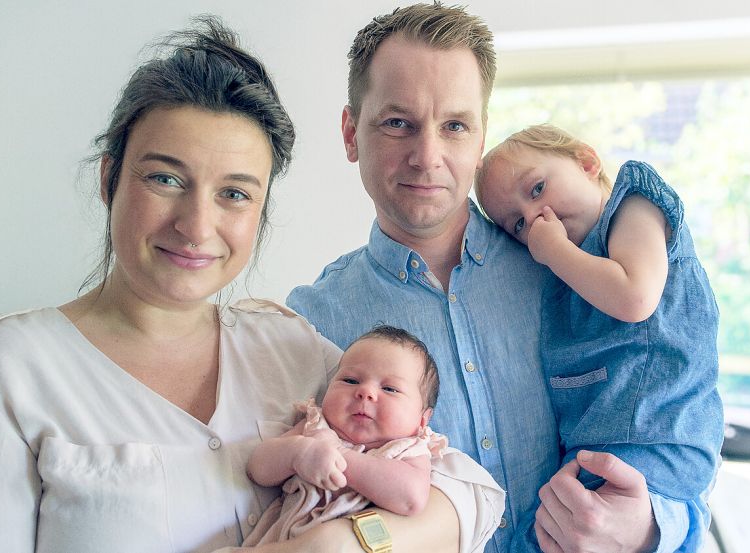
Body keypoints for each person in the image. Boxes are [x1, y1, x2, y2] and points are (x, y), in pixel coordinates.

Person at [0, 16, 497, 553]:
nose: (196, 225)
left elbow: (471, 496)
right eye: (165, 179)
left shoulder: (290, 349)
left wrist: (341, 543)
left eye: (234, 193)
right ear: (109, 179)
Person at [287, 3, 713, 552]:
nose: (427, 156)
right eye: (398, 123)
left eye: (455, 126)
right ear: (351, 133)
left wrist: (650, 527)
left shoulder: (577, 269)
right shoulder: (309, 322)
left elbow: (672, 413)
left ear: (480, 137)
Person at [475, 123, 724, 504]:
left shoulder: (632, 207)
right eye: (519, 224)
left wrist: (555, 252)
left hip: (662, 437)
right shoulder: (565, 274)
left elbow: (635, 297)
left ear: (587, 162)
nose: (537, 218)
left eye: (538, 188)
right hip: (600, 451)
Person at [245, 325, 503, 546]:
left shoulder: (408, 449)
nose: (365, 392)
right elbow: (258, 468)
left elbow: (410, 499)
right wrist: (298, 453)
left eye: (390, 388)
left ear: (422, 420)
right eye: (350, 380)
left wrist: (341, 456)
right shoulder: (316, 428)